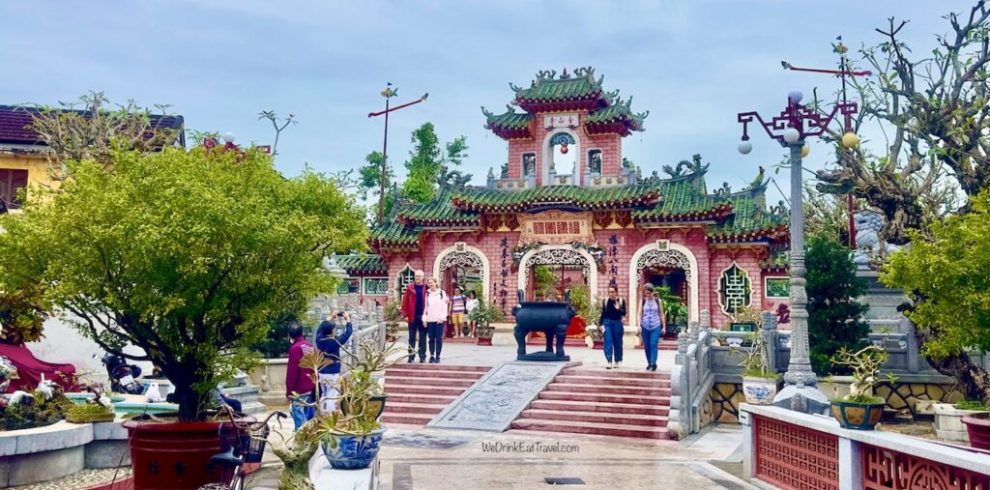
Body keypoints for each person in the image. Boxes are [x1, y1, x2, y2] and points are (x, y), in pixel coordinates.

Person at [315, 311, 353, 414]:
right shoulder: (334, 341)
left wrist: (330, 318)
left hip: (322, 371)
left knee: (324, 395)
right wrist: (348, 320)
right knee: (331, 396)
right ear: (332, 331)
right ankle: (329, 417)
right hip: (332, 372)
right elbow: (347, 333)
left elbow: (320, 328)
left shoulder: (319, 339)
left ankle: (322, 415)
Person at [285, 323, 316, 430]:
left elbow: (292, 373)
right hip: (311, 386)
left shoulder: (295, 348)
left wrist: (289, 392)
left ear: (289, 335)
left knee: (299, 419)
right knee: (307, 417)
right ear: (302, 333)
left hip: (300, 389)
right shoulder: (310, 346)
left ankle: (303, 442)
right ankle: (308, 440)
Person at [400, 270, 428, 363]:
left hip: (423, 317)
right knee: (411, 337)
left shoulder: (426, 288)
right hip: (412, 316)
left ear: (423, 277)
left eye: (419, 276)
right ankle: (411, 356)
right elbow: (404, 302)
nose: (417, 278)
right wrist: (405, 314)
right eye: (416, 276)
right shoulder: (410, 287)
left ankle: (422, 356)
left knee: (423, 337)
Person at [599, 285, 627, 370]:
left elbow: (624, 313)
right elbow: (603, 313)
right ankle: (609, 361)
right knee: (608, 341)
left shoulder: (621, 301)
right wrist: (600, 324)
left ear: (616, 292)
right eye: (609, 292)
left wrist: (618, 309)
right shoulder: (605, 301)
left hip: (617, 323)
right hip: (607, 323)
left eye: (613, 292)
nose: (611, 294)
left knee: (618, 342)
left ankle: (617, 361)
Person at [640, 284, 666, 372]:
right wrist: (638, 325)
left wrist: (664, 327)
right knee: (647, 346)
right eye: (646, 293)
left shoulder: (658, 301)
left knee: (653, 344)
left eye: (649, 293)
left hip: (656, 325)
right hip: (645, 325)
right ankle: (649, 363)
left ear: (652, 292)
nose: (648, 295)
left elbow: (661, 314)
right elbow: (639, 313)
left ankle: (653, 363)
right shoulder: (642, 301)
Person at [423, 277, 450, 363]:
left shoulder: (442, 293)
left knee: (438, 339)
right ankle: (431, 355)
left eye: (431, 282)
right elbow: (426, 307)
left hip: (439, 320)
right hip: (430, 319)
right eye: (429, 283)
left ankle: (438, 355)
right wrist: (424, 319)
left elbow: (444, 307)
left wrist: (442, 318)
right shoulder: (427, 294)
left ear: (435, 283)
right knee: (431, 339)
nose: (430, 284)